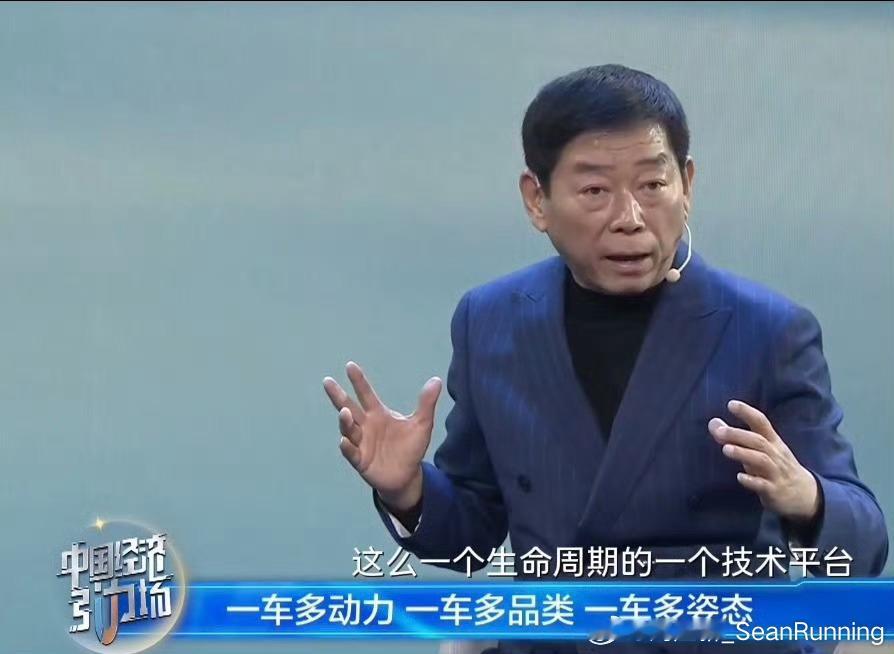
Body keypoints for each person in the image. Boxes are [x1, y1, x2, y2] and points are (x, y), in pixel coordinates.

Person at [322, 65, 888, 653]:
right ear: (537, 200)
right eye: (595, 191)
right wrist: (409, 490)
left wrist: (806, 497)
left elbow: (865, 546)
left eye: (653, 185)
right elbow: (470, 537)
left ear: (687, 185)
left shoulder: (766, 330)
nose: (630, 218)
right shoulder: (490, 320)